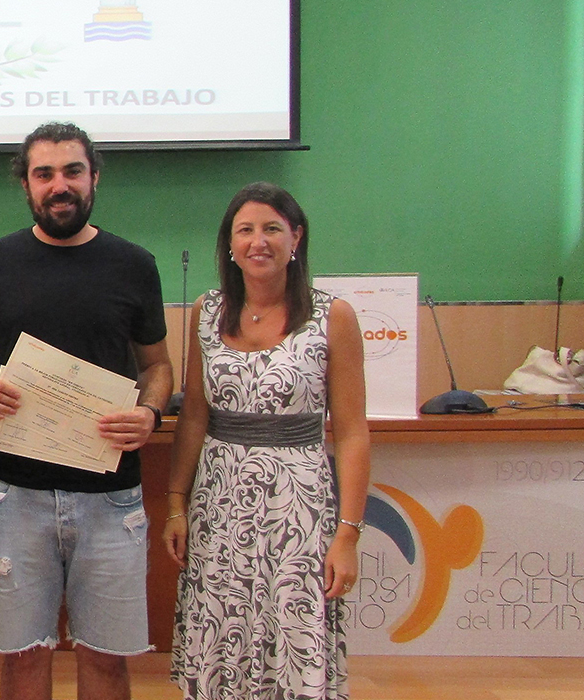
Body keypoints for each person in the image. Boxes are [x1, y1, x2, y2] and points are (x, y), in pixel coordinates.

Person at [0, 122, 174, 700]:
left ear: (93, 178)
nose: (59, 185)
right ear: (26, 185)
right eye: (44, 173)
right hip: (13, 497)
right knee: (21, 661)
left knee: (107, 661)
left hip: (110, 496)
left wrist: (149, 412)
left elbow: (158, 368)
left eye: (72, 171)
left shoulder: (134, 264)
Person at [162, 182, 371, 700]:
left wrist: (347, 535)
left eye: (272, 228)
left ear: (295, 237)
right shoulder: (208, 312)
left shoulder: (333, 316)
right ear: (229, 245)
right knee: (221, 625)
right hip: (219, 502)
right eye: (246, 230)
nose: (259, 241)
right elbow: (193, 417)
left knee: (294, 630)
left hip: (297, 504)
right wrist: (174, 504)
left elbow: (350, 431)